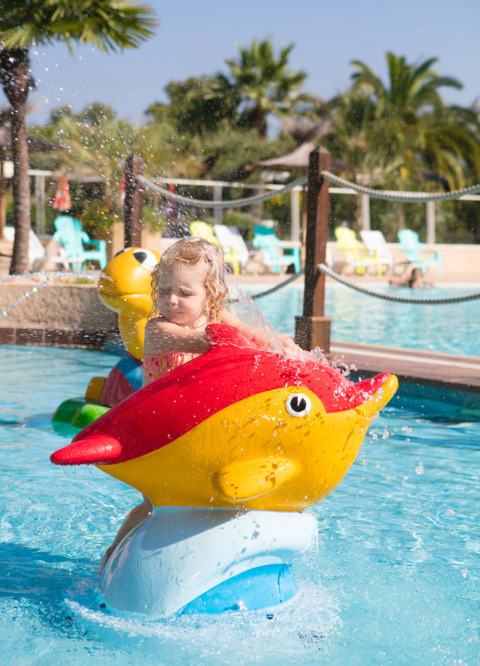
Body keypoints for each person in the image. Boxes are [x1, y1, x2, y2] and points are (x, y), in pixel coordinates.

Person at [99, 237, 301, 571]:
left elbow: (248, 332)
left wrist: (274, 343)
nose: (172, 300)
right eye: (164, 291)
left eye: (185, 293)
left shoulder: (217, 314)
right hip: (162, 432)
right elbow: (211, 341)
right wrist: (246, 344)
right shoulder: (159, 329)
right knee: (153, 502)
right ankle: (112, 555)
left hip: (200, 429)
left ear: (211, 294)